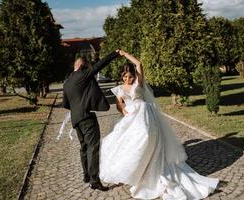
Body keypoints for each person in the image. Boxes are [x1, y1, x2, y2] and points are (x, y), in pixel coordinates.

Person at [99, 50, 219, 199]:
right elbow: (119, 105)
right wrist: (124, 112)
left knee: (146, 138)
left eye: (130, 76)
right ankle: (139, 172)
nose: (128, 79)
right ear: (122, 77)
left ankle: (152, 170)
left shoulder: (139, 83)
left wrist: (124, 54)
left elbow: (138, 64)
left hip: (145, 115)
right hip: (131, 117)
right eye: (125, 76)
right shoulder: (119, 89)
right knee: (123, 143)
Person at [63, 50, 120, 191]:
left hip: (75, 119)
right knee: (93, 147)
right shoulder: (83, 74)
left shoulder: (67, 82)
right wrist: (115, 53)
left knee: (83, 147)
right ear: (82, 66)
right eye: (87, 66)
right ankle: (94, 181)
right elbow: (100, 65)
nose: (89, 68)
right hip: (87, 118)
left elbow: (65, 104)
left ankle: (86, 175)